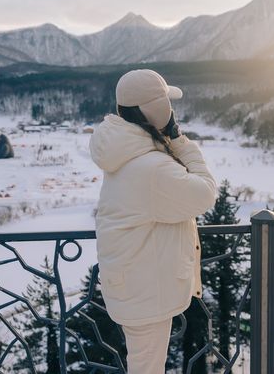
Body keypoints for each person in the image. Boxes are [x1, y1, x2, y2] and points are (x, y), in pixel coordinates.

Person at [89, 69, 217, 373]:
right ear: (157, 110)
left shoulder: (128, 152)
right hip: (145, 288)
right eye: (167, 106)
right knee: (146, 368)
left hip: (133, 279)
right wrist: (179, 139)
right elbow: (205, 193)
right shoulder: (152, 167)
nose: (172, 113)